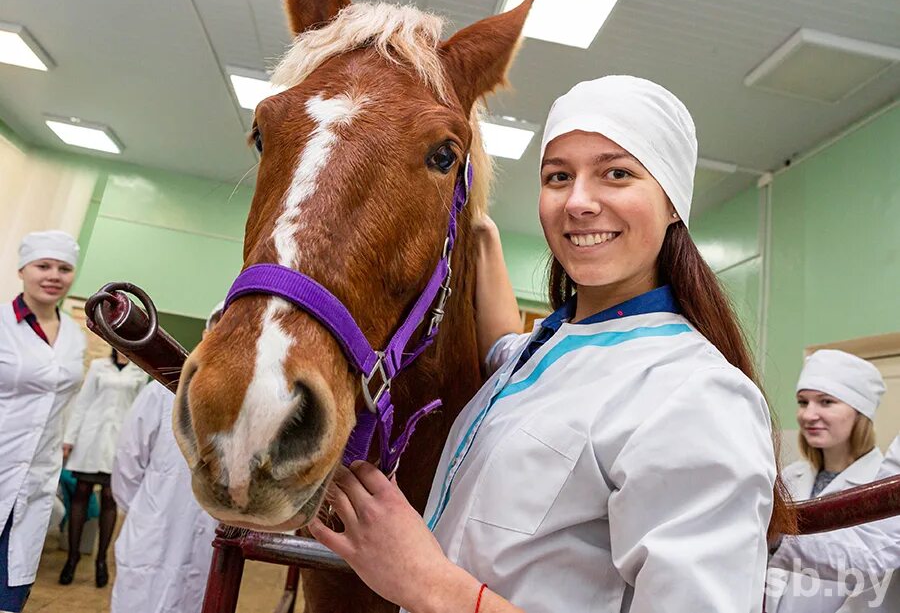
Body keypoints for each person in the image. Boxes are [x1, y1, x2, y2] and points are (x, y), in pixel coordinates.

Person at [308, 75, 793, 613]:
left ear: (673, 203)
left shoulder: (695, 396)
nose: (579, 202)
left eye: (617, 174)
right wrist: (480, 235)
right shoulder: (546, 353)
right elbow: (502, 346)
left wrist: (427, 582)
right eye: (558, 176)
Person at [109, 302, 222, 613]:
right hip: (151, 535)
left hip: (204, 546)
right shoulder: (161, 393)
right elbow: (127, 465)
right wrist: (148, 513)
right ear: (205, 334)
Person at [767, 351, 895, 612]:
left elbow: (871, 560)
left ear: (860, 413)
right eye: (803, 402)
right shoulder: (790, 477)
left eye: (826, 402)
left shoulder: (884, 489)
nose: (808, 415)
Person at [0, 231, 85, 613]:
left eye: (64, 268)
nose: (54, 275)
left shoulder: (73, 335)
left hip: (35, 477)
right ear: (22, 270)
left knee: (10, 587)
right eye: (43, 266)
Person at [59, 348, 147, 586]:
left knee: (110, 498)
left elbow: (140, 412)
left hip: (119, 443)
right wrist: (69, 439)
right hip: (91, 440)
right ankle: (73, 557)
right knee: (81, 494)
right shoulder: (99, 366)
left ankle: (100, 560)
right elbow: (83, 403)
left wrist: (138, 450)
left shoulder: (140, 371)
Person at [769, 434, 899, 580]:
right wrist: (775, 537)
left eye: (827, 408)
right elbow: (879, 543)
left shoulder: (874, 475)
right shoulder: (791, 473)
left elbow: (878, 551)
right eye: (804, 408)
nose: (808, 415)